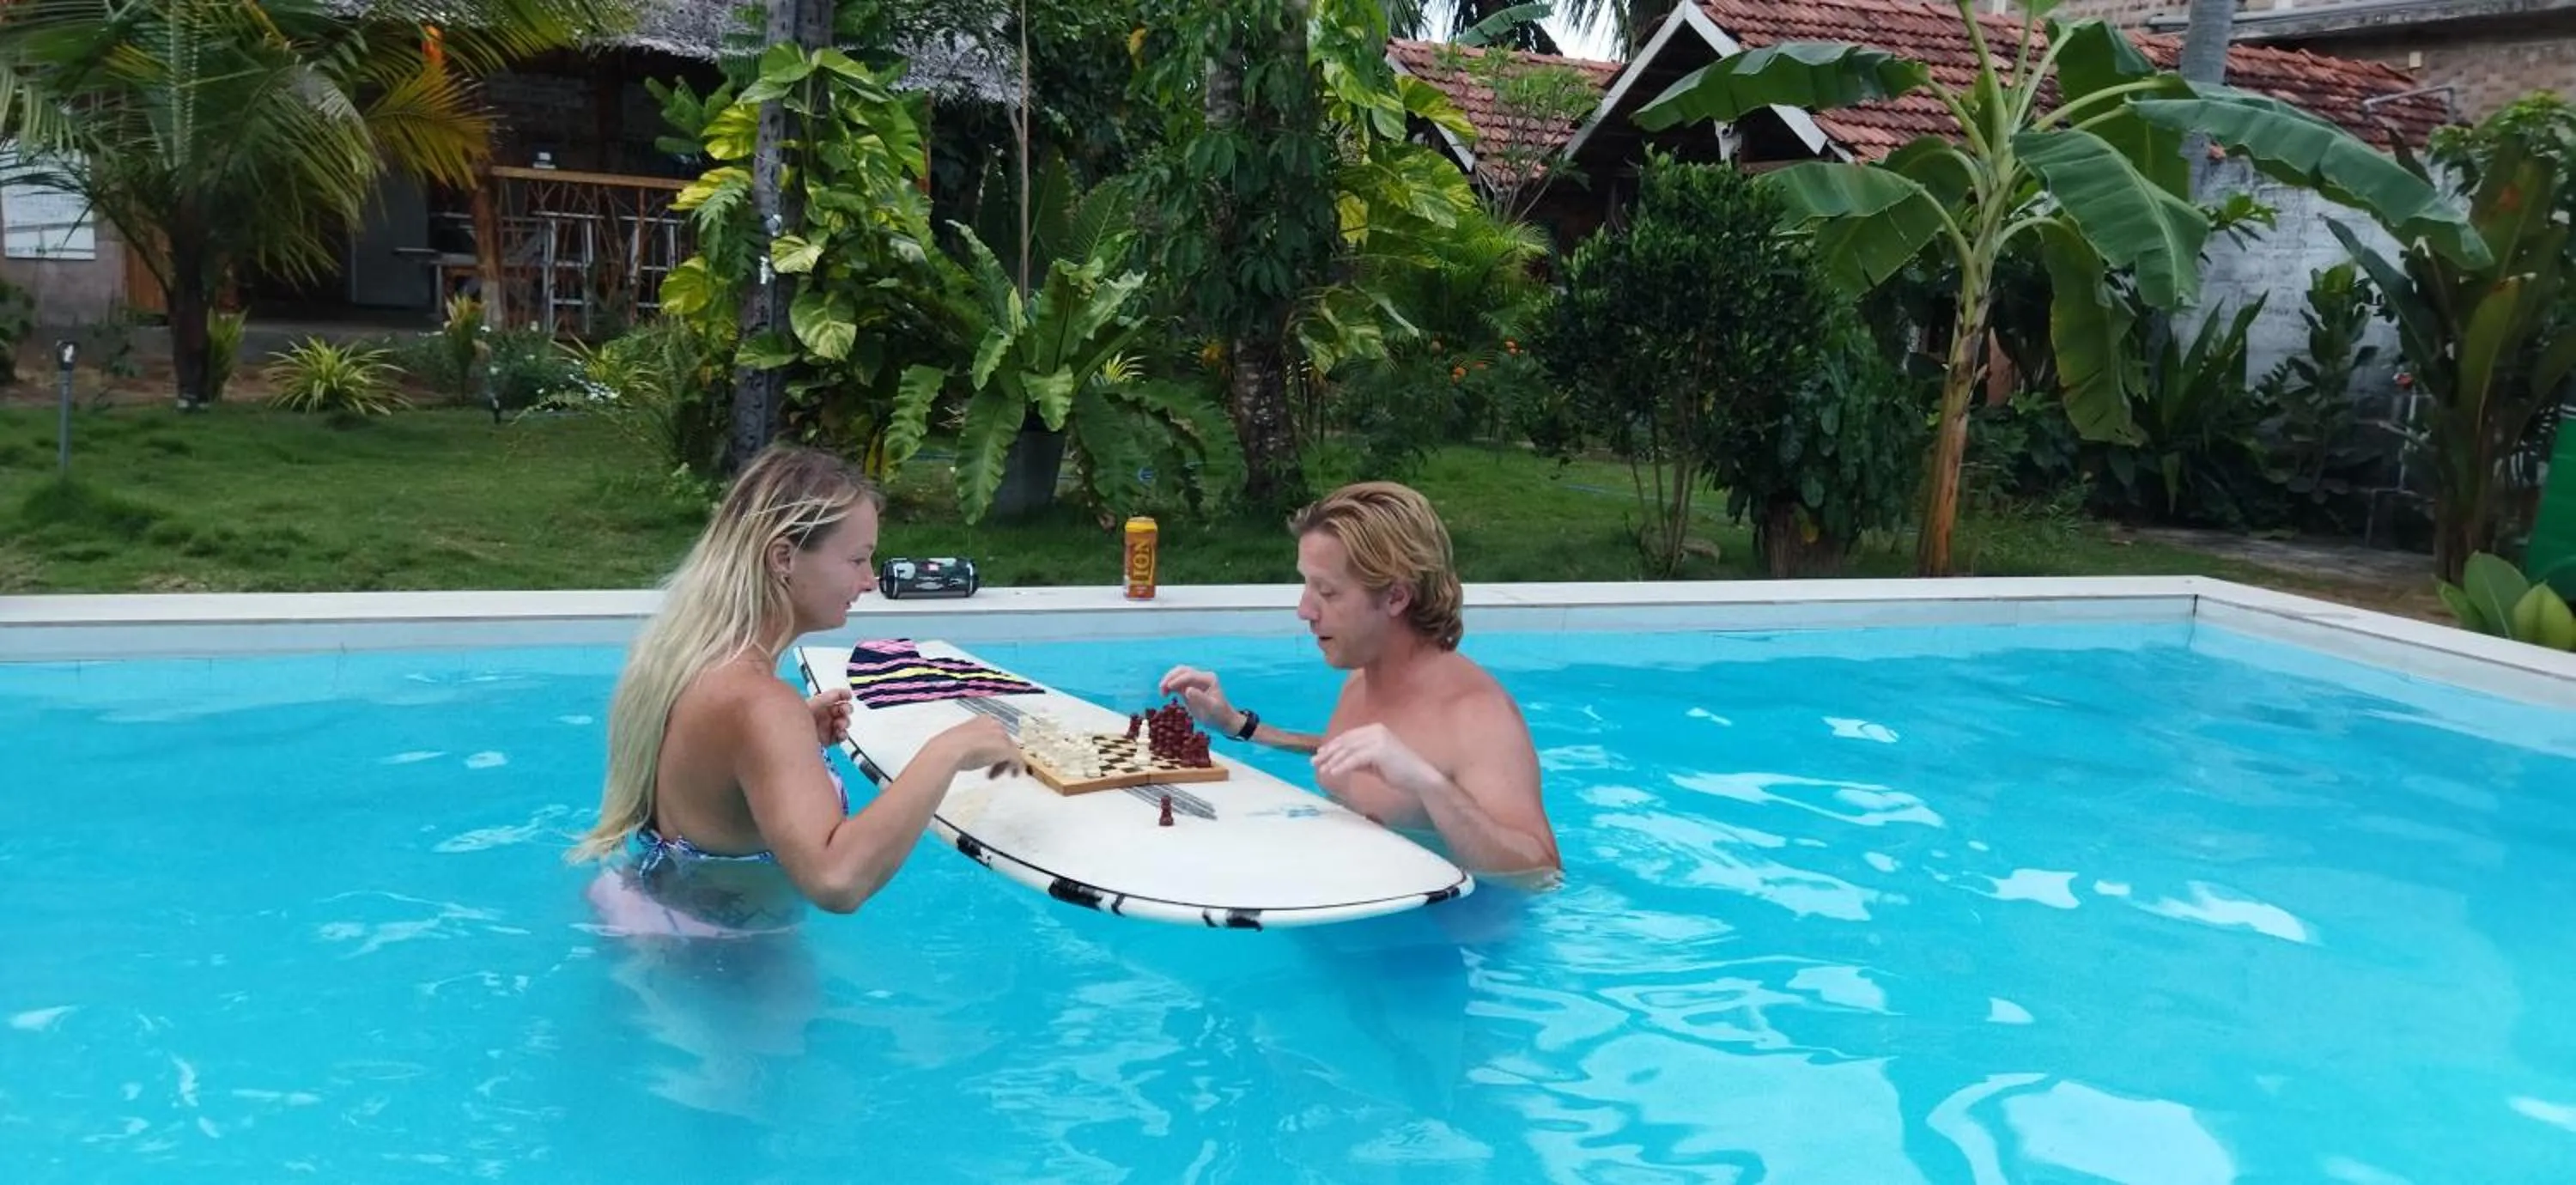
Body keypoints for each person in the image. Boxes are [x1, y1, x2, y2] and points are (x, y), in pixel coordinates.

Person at [568, 444, 1025, 935]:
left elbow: (705, 771)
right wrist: (947, 751)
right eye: (857, 560)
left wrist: (785, 744)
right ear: (784, 557)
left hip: (653, 909)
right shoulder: (762, 704)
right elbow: (836, 880)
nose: (870, 581)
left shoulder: (692, 659)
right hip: (722, 962)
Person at [1160, 481, 1562, 889]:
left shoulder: (1478, 718)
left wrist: (1428, 785)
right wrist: (1240, 726)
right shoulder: (1362, 679)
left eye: (1328, 591)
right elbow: (1357, 755)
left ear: (1395, 598)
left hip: (1436, 943)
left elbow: (1541, 873)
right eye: (1307, 584)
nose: (1304, 610)